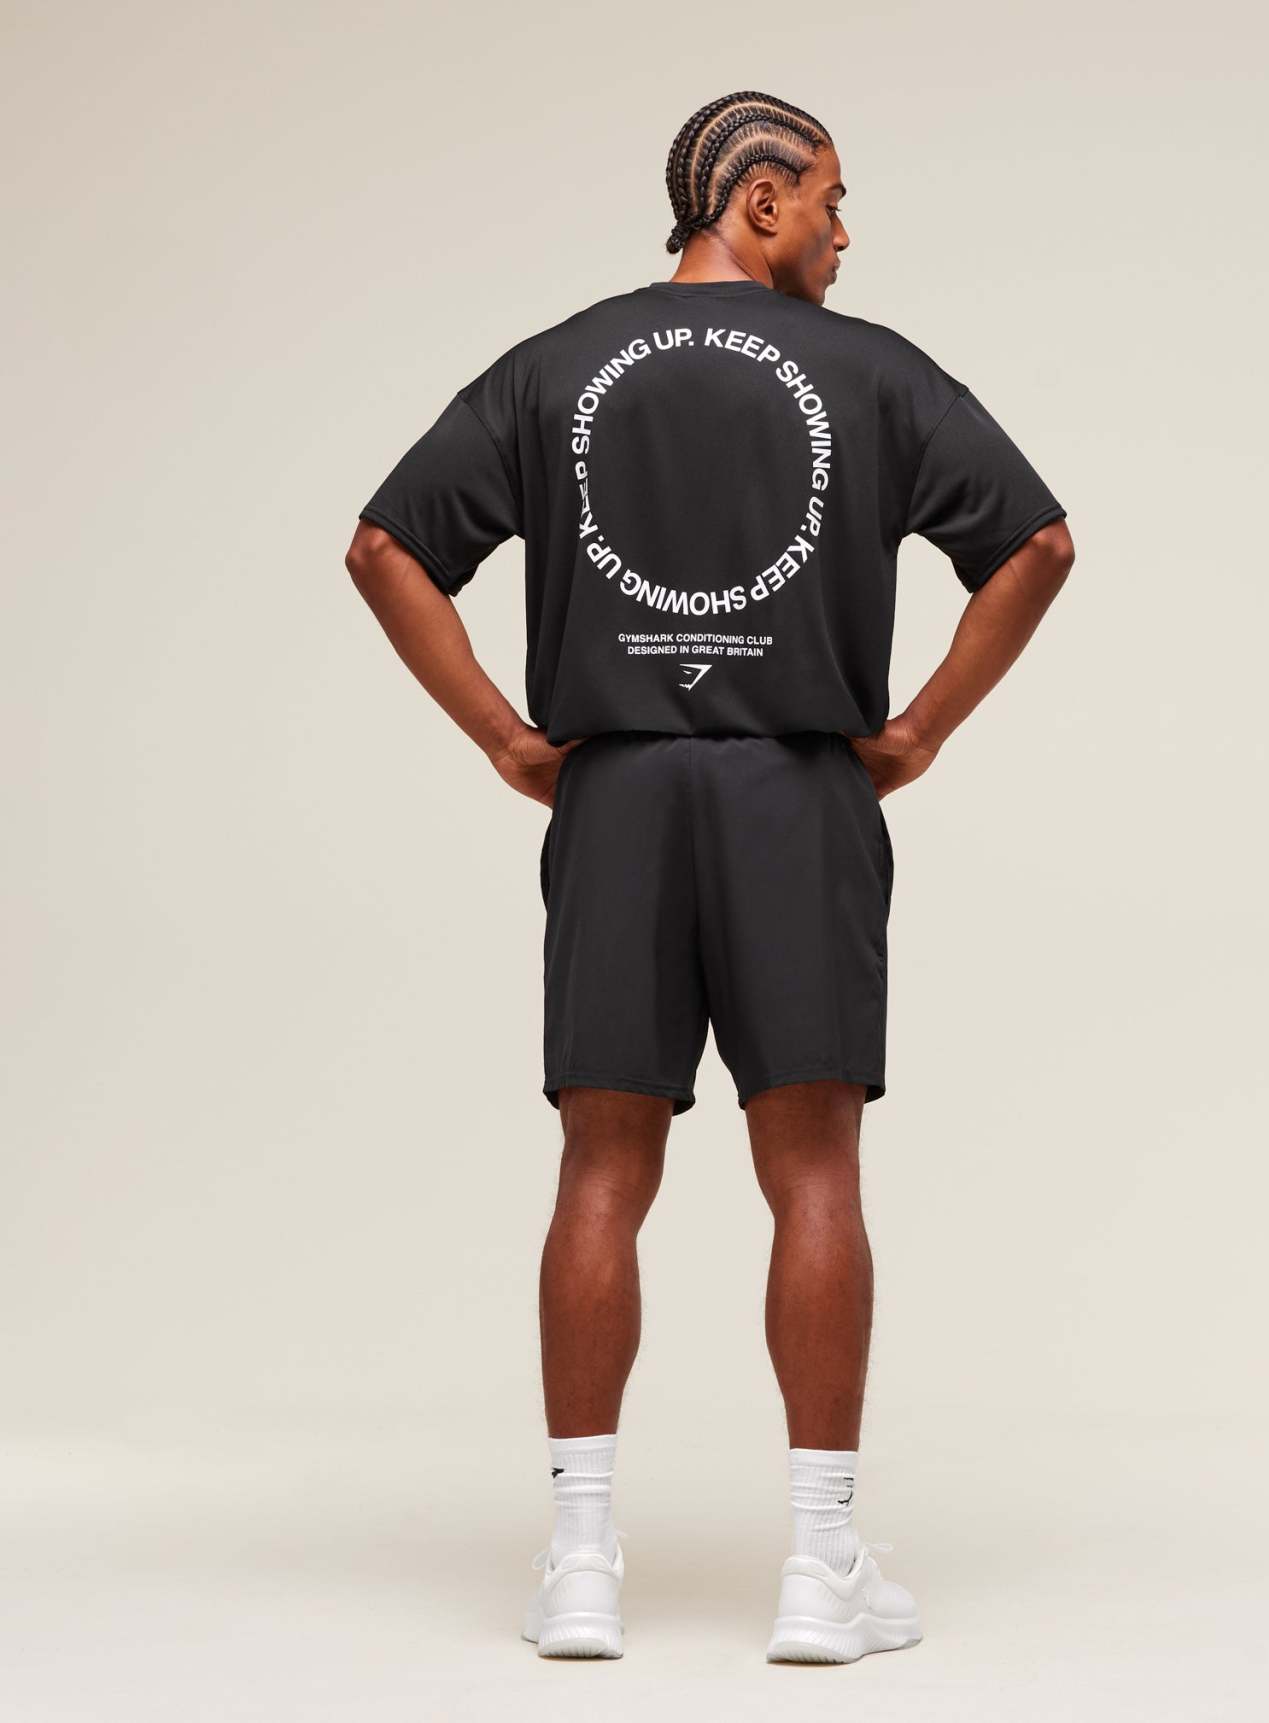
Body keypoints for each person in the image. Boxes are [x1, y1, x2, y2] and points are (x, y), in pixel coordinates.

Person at [346, 89, 1075, 1665]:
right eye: (827, 197)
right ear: (756, 200)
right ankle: (818, 1569)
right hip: (795, 795)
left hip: (614, 797)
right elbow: (1038, 544)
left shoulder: (553, 366)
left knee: (599, 1174)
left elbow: (381, 546)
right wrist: (919, 731)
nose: (842, 230)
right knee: (811, 1177)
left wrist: (504, 736)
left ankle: (579, 1565)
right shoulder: (872, 371)